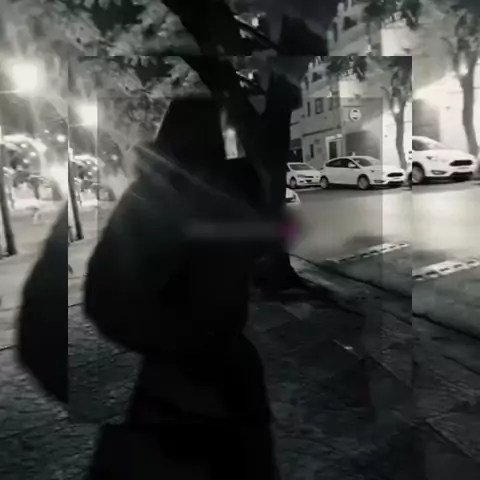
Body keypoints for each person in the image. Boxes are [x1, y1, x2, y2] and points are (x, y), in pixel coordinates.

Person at [84, 97, 279, 479]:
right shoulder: (170, 197)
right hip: (197, 376)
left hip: (198, 375)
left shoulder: (161, 195)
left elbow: (102, 296)